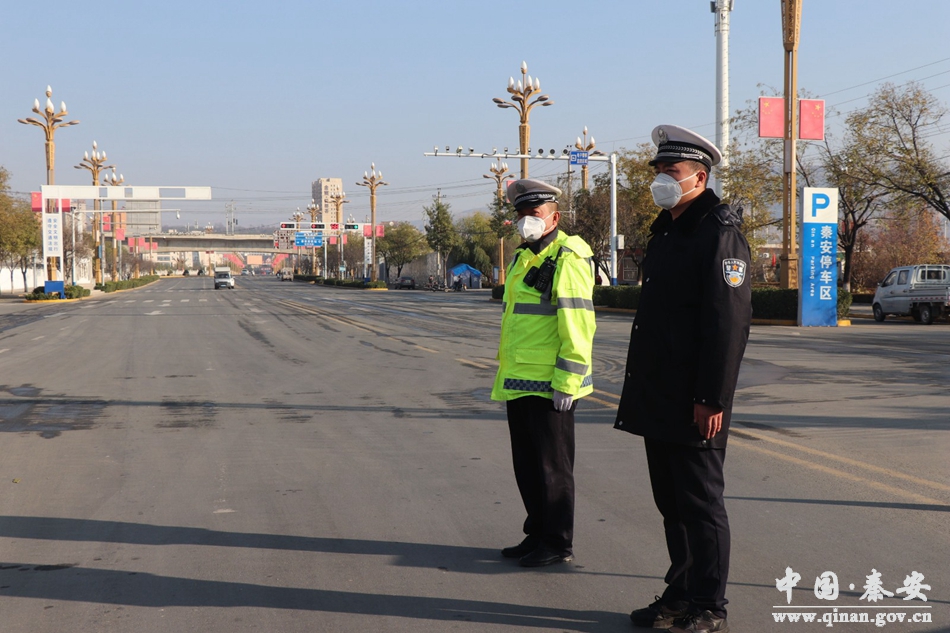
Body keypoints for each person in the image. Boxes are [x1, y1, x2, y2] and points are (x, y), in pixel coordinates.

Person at [615, 126, 751, 633]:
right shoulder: (666, 231)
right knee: (672, 505)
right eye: (659, 172)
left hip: (696, 398)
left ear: (700, 177)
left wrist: (711, 397)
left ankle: (710, 606)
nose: (662, 180)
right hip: (659, 394)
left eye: (671, 172)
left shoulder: (719, 233)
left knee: (701, 505)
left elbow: (727, 324)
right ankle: (680, 594)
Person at [491, 178, 596, 568]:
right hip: (520, 379)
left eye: (533, 213)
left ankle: (557, 541)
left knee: (553, 468)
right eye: (520, 214)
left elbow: (578, 325)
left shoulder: (569, 258)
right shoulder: (523, 257)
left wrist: (569, 380)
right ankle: (536, 532)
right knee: (528, 465)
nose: (526, 221)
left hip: (552, 384)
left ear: (553, 217)